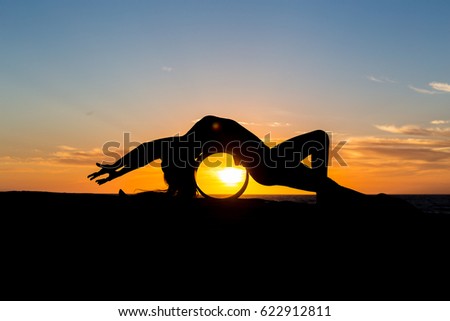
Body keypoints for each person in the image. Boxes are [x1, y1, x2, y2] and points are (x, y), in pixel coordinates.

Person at [88, 115, 366, 204]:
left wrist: (119, 168)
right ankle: (329, 201)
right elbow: (149, 149)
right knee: (318, 143)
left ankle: (335, 199)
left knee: (329, 186)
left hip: (269, 164)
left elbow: (148, 149)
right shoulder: (190, 140)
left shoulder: (187, 142)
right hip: (268, 165)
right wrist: (119, 168)